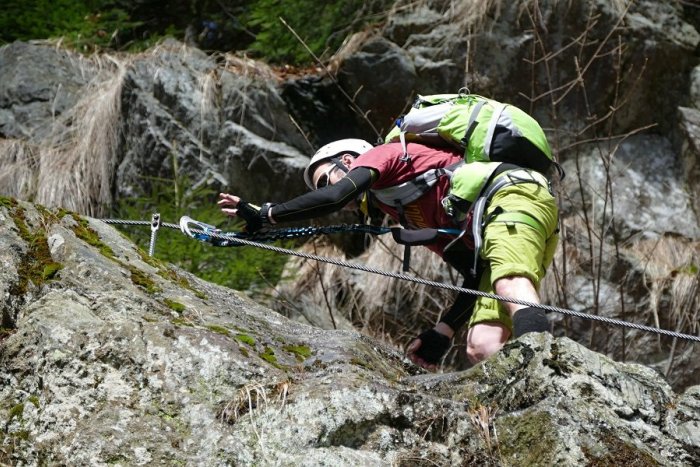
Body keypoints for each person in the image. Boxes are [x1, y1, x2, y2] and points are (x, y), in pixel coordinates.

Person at [218, 139, 559, 369]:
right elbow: (471, 272)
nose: (327, 189)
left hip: (514, 197)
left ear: (348, 161)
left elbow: (336, 196)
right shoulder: (406, 208)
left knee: (510, 282)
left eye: (326, 179)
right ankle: (524, 395)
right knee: (481, 345)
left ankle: (545, 372)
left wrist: (268, 214)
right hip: (488, 232)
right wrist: (442, 332)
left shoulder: (386, 154)